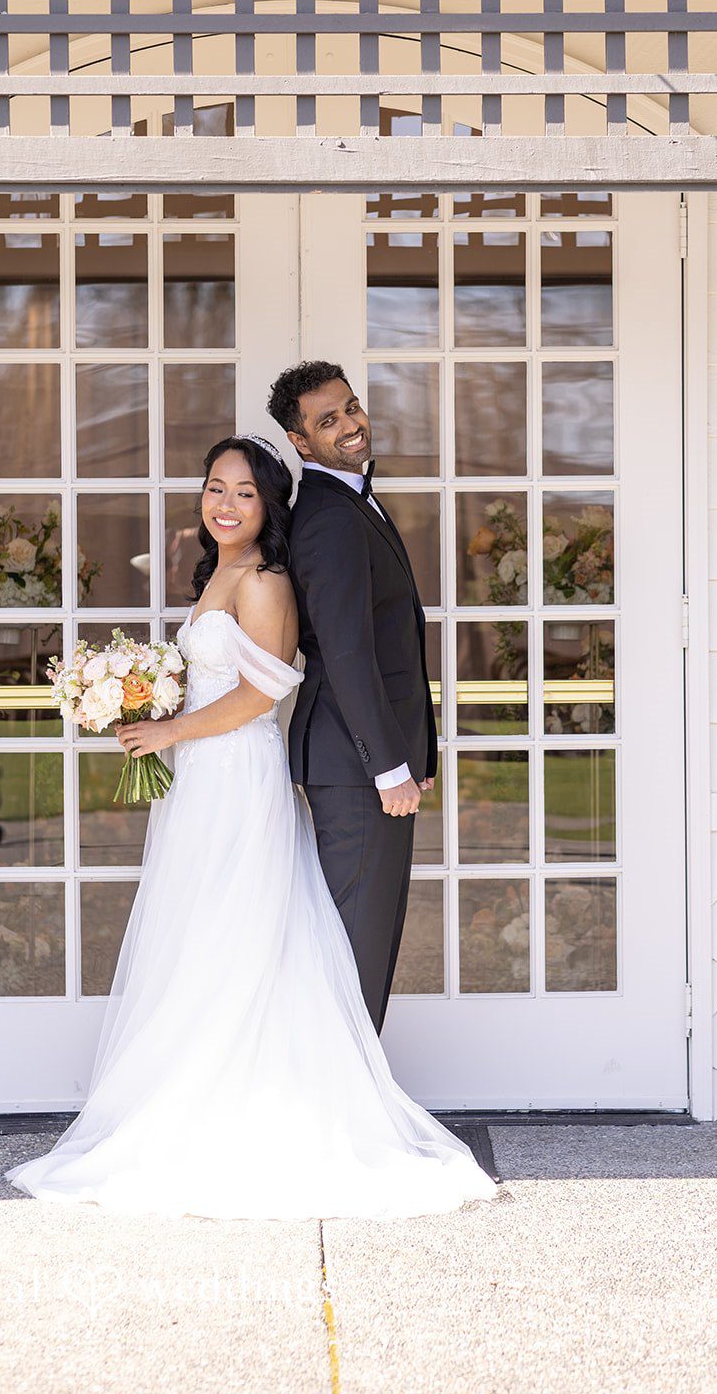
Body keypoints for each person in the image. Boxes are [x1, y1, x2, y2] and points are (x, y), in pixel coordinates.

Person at [3, 435, 498, 1220]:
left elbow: (266, 690)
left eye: (242, 492)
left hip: (236, 775)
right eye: (213, 488)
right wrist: (143, 702)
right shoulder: (218, 573)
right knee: (198, 934)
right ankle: (186, 1091)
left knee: (235, 931)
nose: (224, 503)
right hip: (201, 778)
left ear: (269, 506)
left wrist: (170, 732)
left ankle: (244, 1108)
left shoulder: (266, 579)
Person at [266, 361, 438, 1034]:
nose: (350, 425)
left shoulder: (351, 500)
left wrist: (411, 752)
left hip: (365, 759)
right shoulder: (329, 519)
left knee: (367, 938)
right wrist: (386, 766)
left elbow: (395, 645)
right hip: (352, 766)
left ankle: (350, 1100)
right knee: (355, 949)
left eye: (352, 408)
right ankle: (340, 1116)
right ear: (300, 442)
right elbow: (345, 653)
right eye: (327, 420)